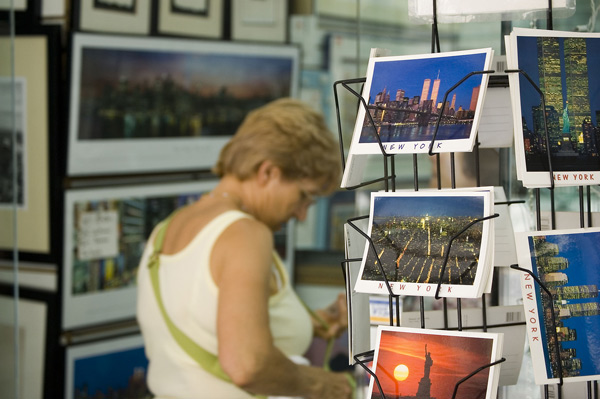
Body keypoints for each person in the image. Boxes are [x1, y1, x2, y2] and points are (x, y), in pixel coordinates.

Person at [136, 98, 354, 399]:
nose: (301, 214)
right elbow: (247, 364)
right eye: (304, 196)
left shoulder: (166, 230)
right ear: (268, 172)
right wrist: (323, 385)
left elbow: (206, 319)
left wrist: (309, 322)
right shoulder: (245, 233)